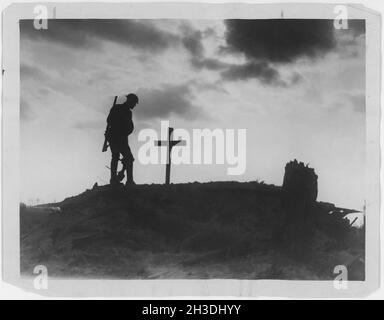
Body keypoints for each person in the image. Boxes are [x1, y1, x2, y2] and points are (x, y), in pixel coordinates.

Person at [105, 93, 139, 186]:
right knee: (127, 158)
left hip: (117, 137)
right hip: (117, 138)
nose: (134, 105)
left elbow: (109, 121)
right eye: (134, 103)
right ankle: (128, 181)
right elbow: (110, 121)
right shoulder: (121, 110)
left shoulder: (121, 109)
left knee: (118, 157)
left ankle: (115, 179)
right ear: (130, 101)